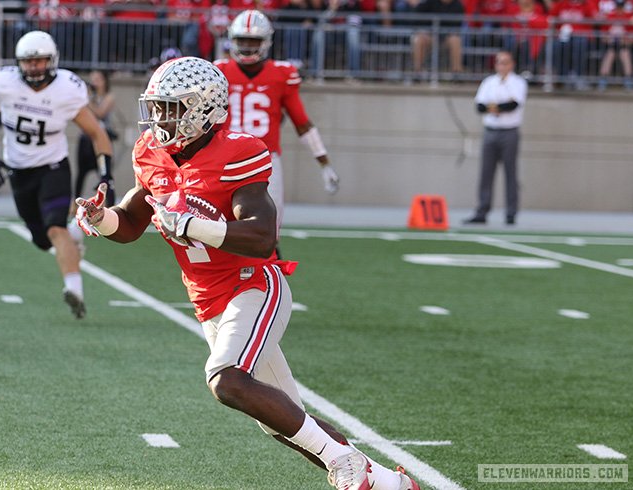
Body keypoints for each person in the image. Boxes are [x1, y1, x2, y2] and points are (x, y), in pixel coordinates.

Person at [75, 56, 418, 490]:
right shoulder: (151, 153)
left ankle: (345, 462)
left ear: (202, 108)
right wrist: (101, 219)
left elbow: (261, 236)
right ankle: (392, 484)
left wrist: (192, 225)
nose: (159, 117)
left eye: (170, 107)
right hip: (207, 300)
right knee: (282, 423)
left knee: (226, 379)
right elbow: (131, 221)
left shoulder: (239, 151)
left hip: (252, 286)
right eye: (157, 107)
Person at [0, 31, 113, 319]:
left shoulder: (67, 88)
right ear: (18, 62)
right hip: (19, 171)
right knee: (42, 239)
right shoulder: (4, 83)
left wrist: (106, 176)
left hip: (53, 166)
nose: (34, 67)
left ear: (52, 60)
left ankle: (75, 288)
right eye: (28, 61)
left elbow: (97, 133)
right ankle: (77, 229)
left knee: (54, 228)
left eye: (40, 60)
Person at [214, 10, 340, 245]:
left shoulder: (282, 74)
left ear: (266, 42)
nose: (248, 46)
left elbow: (301, 122)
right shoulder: (218, 71)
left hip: (265, 159)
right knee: (218, 221)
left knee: (270, 225)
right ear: (232, 40)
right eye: (243, 40)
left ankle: (269, 266)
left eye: (254, 41)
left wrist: (324, 163)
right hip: (224, 158)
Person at [464, 51, 527, 226]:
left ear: (512, 64)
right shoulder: (489, 82)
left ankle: (511, 212)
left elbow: (513, 104)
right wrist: (497, 107)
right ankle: (482, 210)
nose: (502, 66)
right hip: (491, 131)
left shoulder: (517, 82)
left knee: (510, 173)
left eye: (505, 62)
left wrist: (495, 107)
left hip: (509, 132)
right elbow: (480, 106)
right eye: (499, 62)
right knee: (486, 172)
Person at [75, 70, 116, 199]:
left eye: (98, 79)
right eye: (92, 79)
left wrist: (87, 99)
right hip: (86, 140)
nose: (94, 83)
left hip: (101, 139)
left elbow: (100, 113)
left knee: (105, 174)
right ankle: (74, 204)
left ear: (104, 81)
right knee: (81, 174)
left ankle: (111, 204)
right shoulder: (87, 97)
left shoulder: (108, 97)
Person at [411, 0, 465, 77]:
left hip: (446, 38)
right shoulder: (430, 2)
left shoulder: (457, 5)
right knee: (419, 39)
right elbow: (417, 17)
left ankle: (457, 73)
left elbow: (457, 25)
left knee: (455, 40)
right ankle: (417, 72)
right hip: (430, 36)